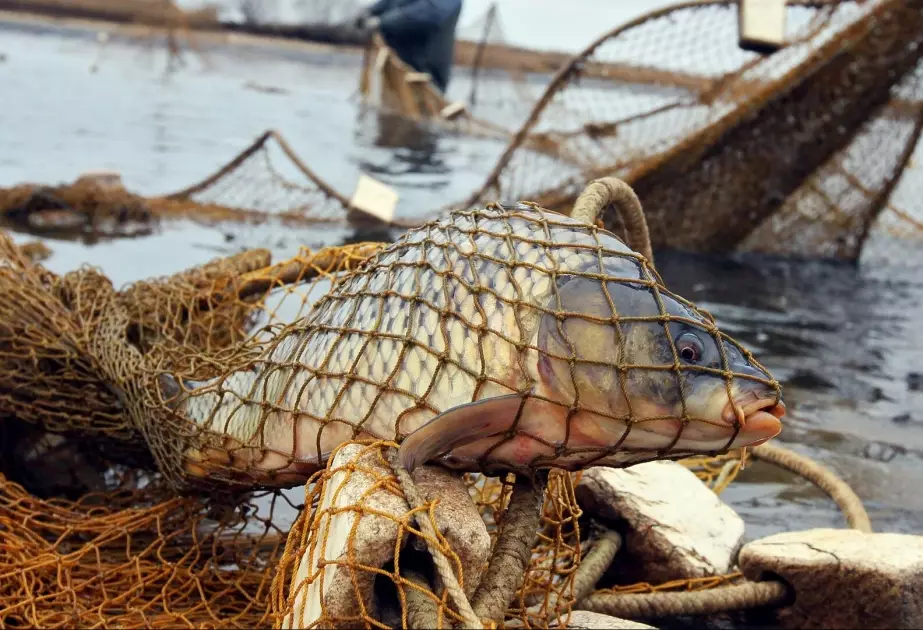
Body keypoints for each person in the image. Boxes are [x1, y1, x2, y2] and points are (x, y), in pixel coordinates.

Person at [354, 0, 463, 94]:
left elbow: (432, 12)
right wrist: (370, 11)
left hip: (426, 74)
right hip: (397, 67)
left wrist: (382, 21)